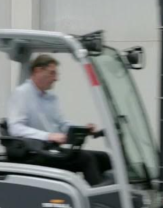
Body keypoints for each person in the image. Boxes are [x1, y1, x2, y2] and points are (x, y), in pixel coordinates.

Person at [7, 54, 112, 186]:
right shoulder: (21, 93)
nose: (56, 78)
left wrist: (83, 129)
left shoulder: (50, 98)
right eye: (52, 73)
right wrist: (48, 136)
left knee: (104, 157)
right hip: (34, 153)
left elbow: (63, 125)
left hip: (50, 150)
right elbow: (15, 128)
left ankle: (108, 193)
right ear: (37, 71)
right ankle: (99, 200)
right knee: (86, 158)